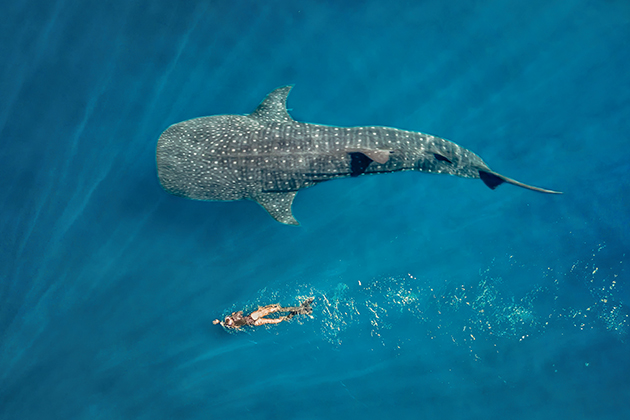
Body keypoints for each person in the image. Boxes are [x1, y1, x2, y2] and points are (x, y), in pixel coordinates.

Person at [213, 297, 314, 330]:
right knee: (277, 309)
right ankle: (300, 308)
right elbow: (240, 312)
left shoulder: (233, 326)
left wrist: (219, 322)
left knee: (276, 320)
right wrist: (234, 314)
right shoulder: (233, 318)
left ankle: (296, 312)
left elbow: (226, 323)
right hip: (253, 316)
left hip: (254, 323)